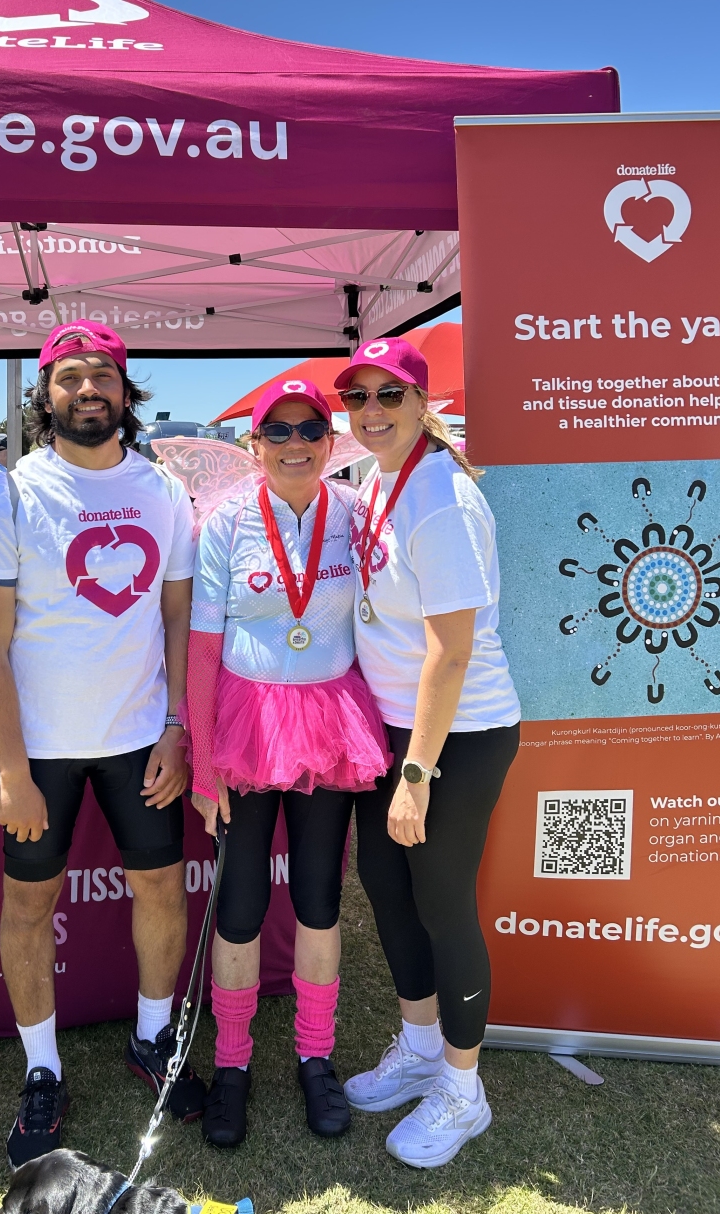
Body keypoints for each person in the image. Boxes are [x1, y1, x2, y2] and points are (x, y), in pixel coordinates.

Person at [0, 320, 205, 1168]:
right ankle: (42, 1069)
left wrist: (178, 726)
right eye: (69, 377)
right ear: (45, 394)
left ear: (125, 391)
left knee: (162, 890)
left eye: (101, 374)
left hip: (142, 738)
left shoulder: (163, 490)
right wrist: (14, 770)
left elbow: (176, 613)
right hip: (41, 752)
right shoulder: (6, 492)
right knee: (28, 907)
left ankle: (150, 1037)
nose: (86, 389)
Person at [186, 379, 389, 1149]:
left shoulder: (359, 517)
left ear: (331, 443)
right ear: (255, 443)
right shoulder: (226, 523)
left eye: (311, 429)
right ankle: (232, 1064)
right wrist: (205, 768)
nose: (296, 443)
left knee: (317, 899)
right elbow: (203, 649)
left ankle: (315, 1055)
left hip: (331, 723)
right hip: (245, 725)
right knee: (238, 905)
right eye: (279, 430)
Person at [336, 338, 521, 1168]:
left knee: (442, 900)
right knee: (385, 884)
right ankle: (417, 1046)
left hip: (457, 734)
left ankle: (462, 1086)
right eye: (359, 397)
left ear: (421, 402)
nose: (371, 411)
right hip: (389, 727)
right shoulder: (376, 482)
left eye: (389, 395)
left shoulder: (440, 494)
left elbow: (450, 652)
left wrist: (416, 773)